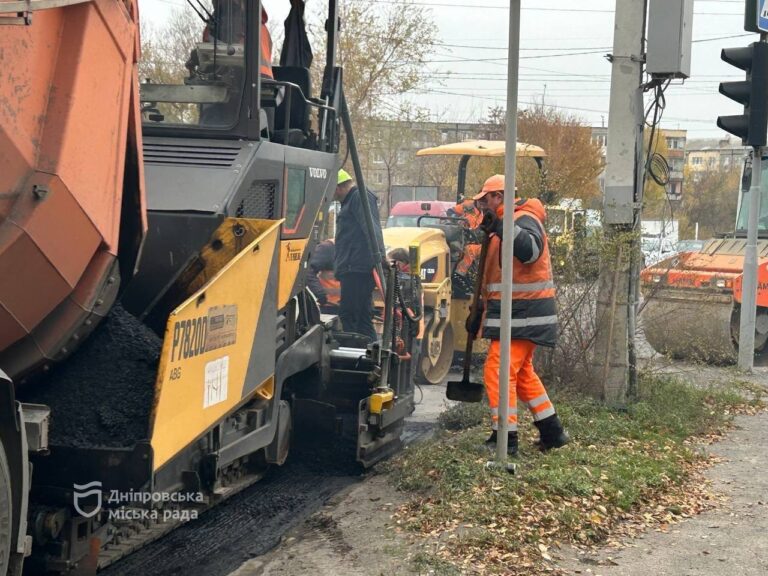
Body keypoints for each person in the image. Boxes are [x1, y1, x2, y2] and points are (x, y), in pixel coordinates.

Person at [468, 174, 569, 456]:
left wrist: (501, 226)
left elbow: (529, 250)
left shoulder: (524, 219)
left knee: (498, 371)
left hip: (525, 314)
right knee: (522, 374)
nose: (481, 206)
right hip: (519, 313)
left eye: (484, 200)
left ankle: (505, 438)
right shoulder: (505, 224)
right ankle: (553, 431)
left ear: (498, 196)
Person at [334, 169, 385, 342]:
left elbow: (372, 229)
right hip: (355, 267)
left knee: (349, 316)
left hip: (356, 269)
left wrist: (380, 258)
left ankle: (351, 357)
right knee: (362, 318)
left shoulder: (359, 198)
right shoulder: (353, 200)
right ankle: (367, 357)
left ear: (338, 187)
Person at [307, 239, 340, 314]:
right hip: (330, 308)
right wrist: (320, 295)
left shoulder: (357, 249)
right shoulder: (328, 248)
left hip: (352, 308)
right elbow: (308, 272)